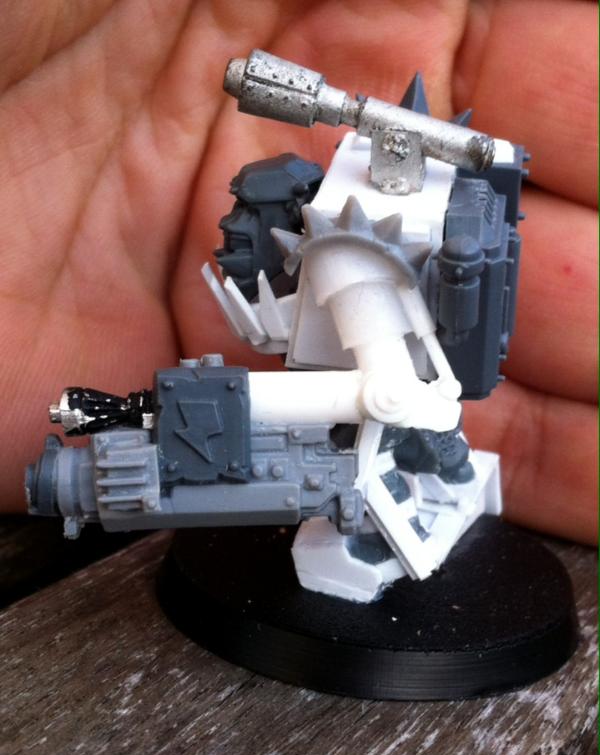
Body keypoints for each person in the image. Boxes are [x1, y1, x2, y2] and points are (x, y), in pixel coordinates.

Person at [0, 0, 596, 543]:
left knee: (390, 433)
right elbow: (377, 387)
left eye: (248, 219)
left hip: (386, 388)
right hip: (374, 390)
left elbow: (386, 388)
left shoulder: (347, 259)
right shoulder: (339, 260)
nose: (234, 235)